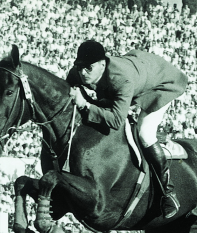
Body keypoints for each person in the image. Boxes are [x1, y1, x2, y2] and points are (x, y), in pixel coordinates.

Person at [67, 40, 188, 219]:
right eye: (80, 67)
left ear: (102, 64)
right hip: (142, 70)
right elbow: (69, 85)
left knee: (144, 133)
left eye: (88, 68)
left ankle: (168, 192)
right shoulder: (82, 72)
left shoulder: (121, 79)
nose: (83, 73)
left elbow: (116, 120)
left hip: (163, 84)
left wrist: (85, 105)